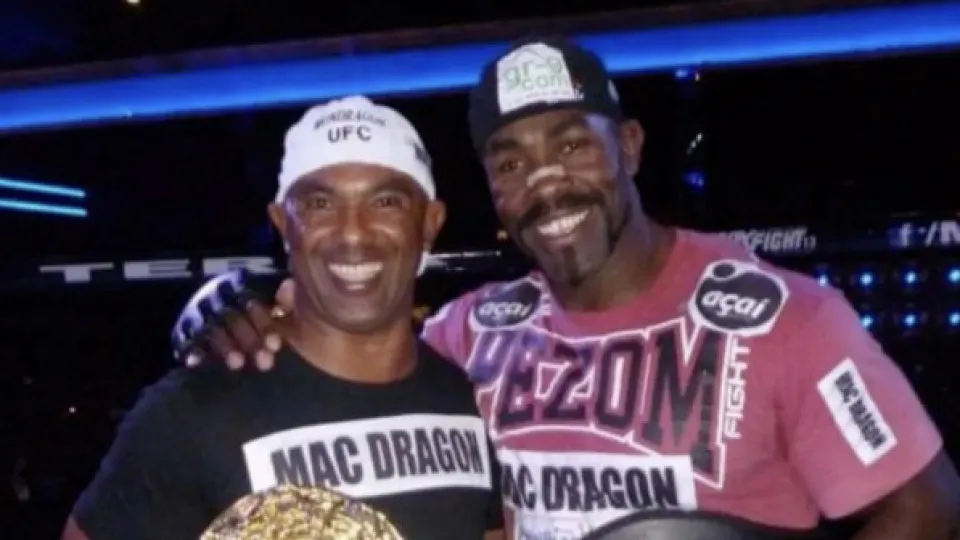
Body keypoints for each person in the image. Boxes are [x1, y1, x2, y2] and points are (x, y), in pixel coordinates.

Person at [170, 38, 960, 539]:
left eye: (573, 145)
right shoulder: (470, 333)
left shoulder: (788, 320)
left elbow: (925, 507)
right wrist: (235, 303)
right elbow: (340, 356)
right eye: (511, 162)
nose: (546, 181)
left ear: (629, 147)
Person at [62, 96, 504, 540]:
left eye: (385, 201)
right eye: (320, 203)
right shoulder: (192, 412)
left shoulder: (467, 401)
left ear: (430, 222)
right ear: (282, 224)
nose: (353, 232)